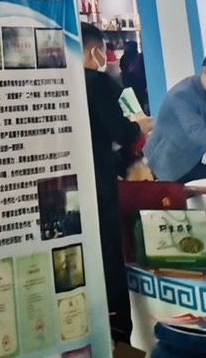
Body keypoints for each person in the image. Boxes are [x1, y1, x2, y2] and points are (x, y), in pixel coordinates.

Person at [82, 23, 152, 343]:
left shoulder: (53, 81)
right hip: (99, 183)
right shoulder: (97, 82)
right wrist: (139, 126)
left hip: (67, 188)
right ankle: (118, 340)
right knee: (109, 258)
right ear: (96, 51)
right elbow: (121, 132)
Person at [145, 48, 206, 183]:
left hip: (202, 159)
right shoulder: (182, 94)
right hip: (173, 162)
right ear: (205, 71)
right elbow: (195, 131)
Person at [120, 41, 148, 114]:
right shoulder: (139, 57)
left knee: (131, 106)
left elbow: (123, 70)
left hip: (128, 84)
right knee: (140, 102)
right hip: (140, 84)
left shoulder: (123, 58)